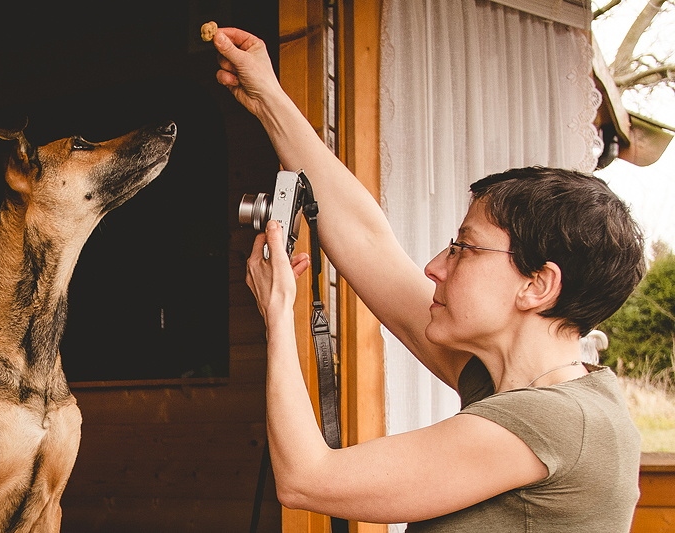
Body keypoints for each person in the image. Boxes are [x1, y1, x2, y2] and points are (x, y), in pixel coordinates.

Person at [210, 26, 646, 531]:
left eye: (464, 249)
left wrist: (278, 316)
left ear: (536, 285)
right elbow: (368, 242)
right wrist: (267, 97)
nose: (435, 266)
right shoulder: (515, 387)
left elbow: (306, 479)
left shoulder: (555, 422)